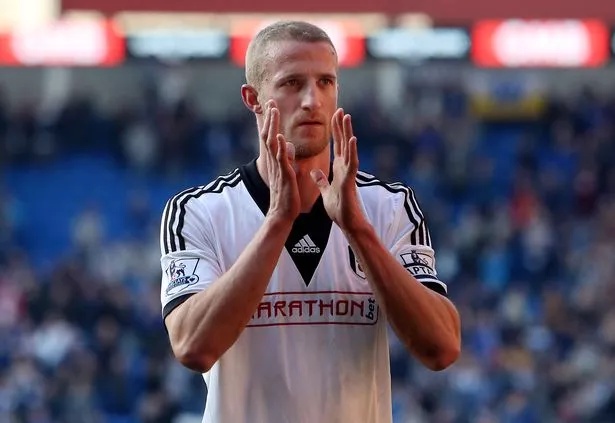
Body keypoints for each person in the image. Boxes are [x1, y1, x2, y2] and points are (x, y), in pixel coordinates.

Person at [159, 20, 461, 423]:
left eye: (325, 82)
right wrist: (276, 224)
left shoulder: (388, 206)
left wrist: (359, 232)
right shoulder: (198, 210)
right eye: (291, 83)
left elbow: (441, 348)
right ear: (253, 98)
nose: (312, 100)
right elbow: (193, 346)